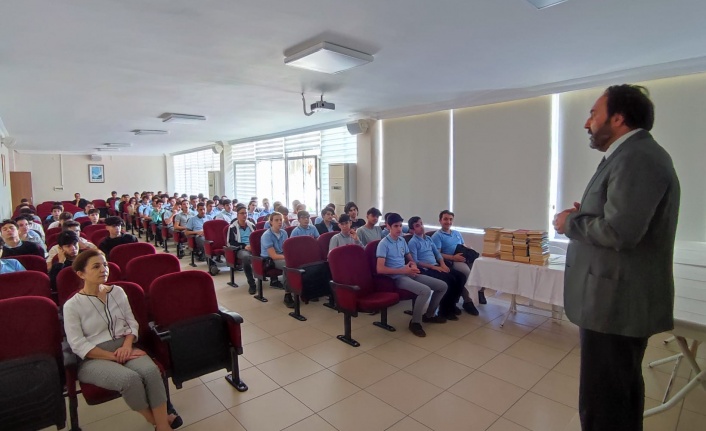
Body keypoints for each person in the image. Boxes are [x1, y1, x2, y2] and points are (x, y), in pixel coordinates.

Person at [553, 84, 680, 431]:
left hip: (614, 304)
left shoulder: (637, 158)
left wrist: (569, 223)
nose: (587, 123)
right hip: (612, 301)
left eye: (593, 114)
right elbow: (619, 218)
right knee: (617, 397)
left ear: (619, 118)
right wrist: (586, 215)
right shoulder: (629, 155)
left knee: (605, 405)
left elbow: (620, 232)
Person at [63, 249, 182, 431]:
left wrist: (127, 346)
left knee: (151, 371)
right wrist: (113, 356)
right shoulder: (72, 305)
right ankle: (157, 421)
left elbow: (131, 322)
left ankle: (162, 426)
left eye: (105, 265)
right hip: (93, 357)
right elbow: (77, 344)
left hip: (124, 347)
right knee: (129, 380)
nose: (103, 269)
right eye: (96, 266)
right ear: (81, 274)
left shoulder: (117, 291)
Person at [376, 213, 447, 337]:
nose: (399, 229)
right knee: (425, 291)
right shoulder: (383, 244)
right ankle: (415, 322)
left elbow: (411, 259)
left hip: (408, 273)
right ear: (388, 226)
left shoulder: (402, 240)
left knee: (442, 286)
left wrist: (413, 266)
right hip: (396, 278)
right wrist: (403, 271)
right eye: (395, 226)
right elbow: (380, 269)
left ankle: (429, 315)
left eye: (400, 225)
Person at [407, 216, 467, 320]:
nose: (421, 227)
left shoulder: (428, 239)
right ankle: (444, 311)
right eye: (417, 226)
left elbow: (437, 254)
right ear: (412, 230)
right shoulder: (413, 242)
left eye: (421, 224)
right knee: (449, 280)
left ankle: (452, 305)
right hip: (426, 269)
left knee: (461, 277)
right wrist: (434, 267)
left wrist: (442, 264)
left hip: (436, 265)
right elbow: (415, 261)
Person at [432, 210, 483, 312]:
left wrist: (468, 250)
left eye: (450, 219)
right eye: (445, 219)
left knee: (479, 268)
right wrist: (453, 257)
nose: (448, 222)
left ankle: (480, 292)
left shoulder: (456, 233)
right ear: (440, 221)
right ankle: (467, 300)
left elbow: (463, 245)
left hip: (463, 257)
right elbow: (437, 254)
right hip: (451, 260)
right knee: (466, 272)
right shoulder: (437, 236)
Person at [260, 212, 292, 307]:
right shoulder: (267, 235)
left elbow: (286, 249)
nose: (279, 222)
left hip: (281, 256)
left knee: (297, 262)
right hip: (269, 260)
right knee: (288, 265)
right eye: (276, 220)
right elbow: (273, 255)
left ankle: (300, 288)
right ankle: (287, 294)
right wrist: (289, 258)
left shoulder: (284, 232)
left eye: (281, 220)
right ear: (271, 222)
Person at [227, 204, 257, 294]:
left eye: (246, 213)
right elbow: (231, 243)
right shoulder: (232, 227)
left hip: (253, 247)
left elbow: (257, 238)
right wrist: (244, 246)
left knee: (267, 253)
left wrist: (253, 246)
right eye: (242, 213)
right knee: (246, 257)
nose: (244, 215)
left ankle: (273, 280)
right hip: (240, 249)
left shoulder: (252, 225)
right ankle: (252, 283)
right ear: (237, 215)